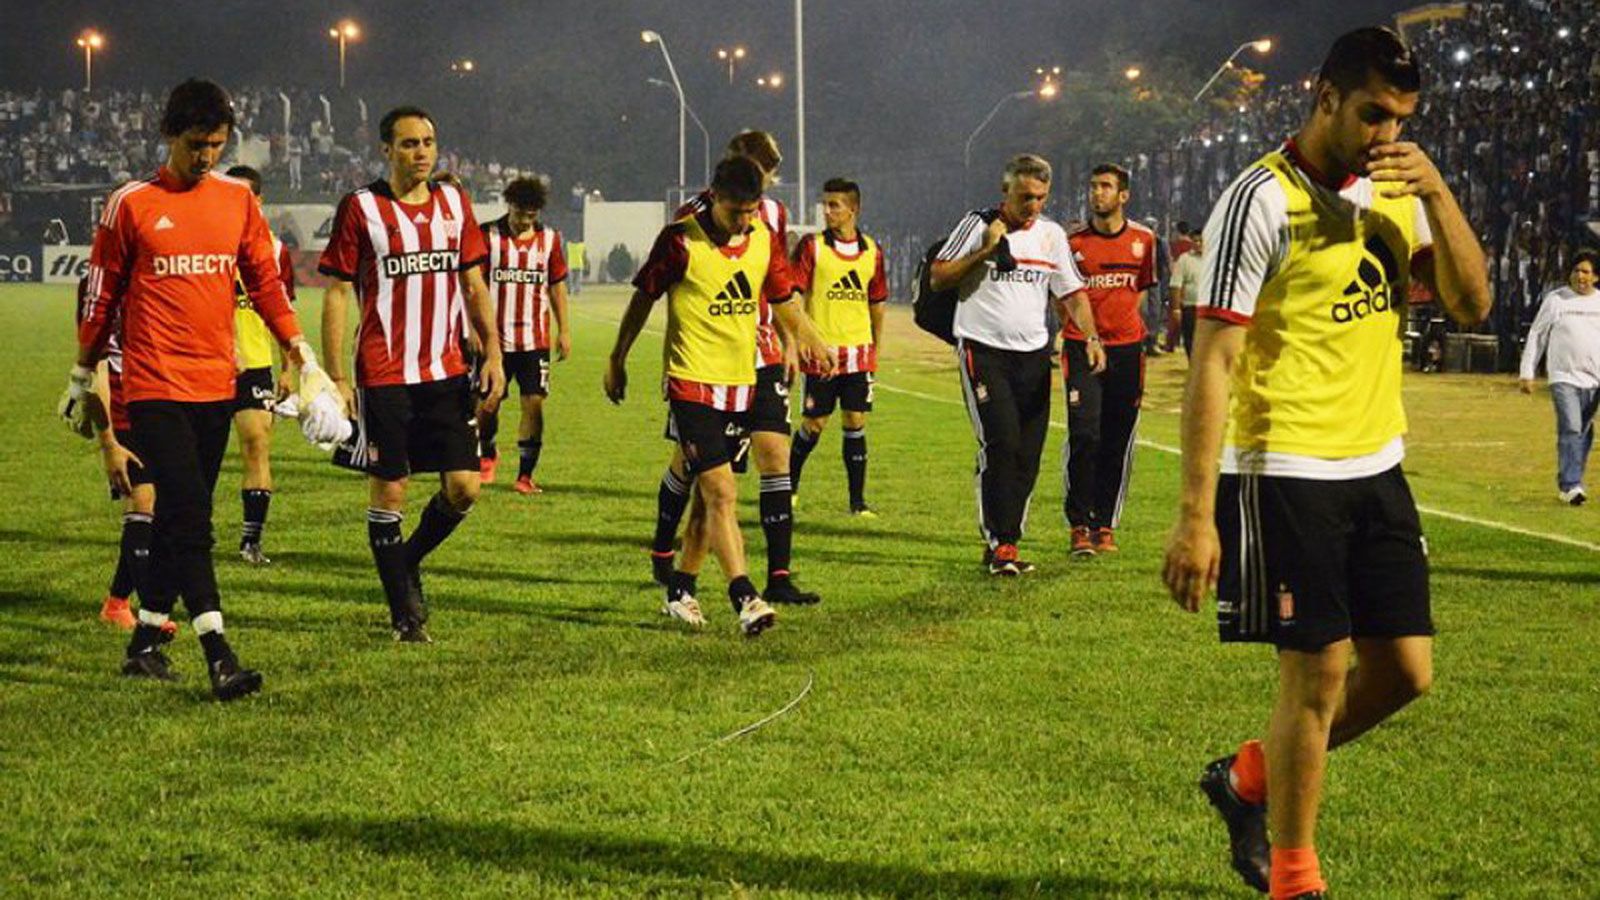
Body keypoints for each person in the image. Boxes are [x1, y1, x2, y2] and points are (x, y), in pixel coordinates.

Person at [1161, 27, 1490, 899]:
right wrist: (1197, 516)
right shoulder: (1258, 201)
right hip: (1283, 468)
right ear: (1325, 98)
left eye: (1404, 119)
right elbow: (1213, 363)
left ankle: (1248, 779)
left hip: (1377, 463)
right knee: (1320, 674)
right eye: (1374, 114)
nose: (1388, 134)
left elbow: (1469, 302)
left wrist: (1441, 195)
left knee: (1407, 674)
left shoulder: (1398, 193)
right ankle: (1295, 877)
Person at [63, 78, 329, 701]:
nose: (206, 155)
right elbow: (100, 299)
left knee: (183, 517)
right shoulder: (129, 203)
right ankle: (219, 652)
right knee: (192, 520)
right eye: (195, 144)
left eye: (216, 144)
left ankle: (146, 643)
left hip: (217, 382)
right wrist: (82, 375)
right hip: (153, 386)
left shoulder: (237, 200)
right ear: (168, 136)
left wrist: (301, 351)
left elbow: (265, 283)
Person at [605, 155, 834, 634]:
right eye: (736, 212)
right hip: (691, 384)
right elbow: (643, 297)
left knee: (710, 503)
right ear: (714, 196)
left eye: (752, 211)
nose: (744, 221)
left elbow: (783, 299)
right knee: (721, 491)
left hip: (741, 386)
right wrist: (617, 357)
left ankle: (681, 588)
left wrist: (810, 335)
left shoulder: (761, 241)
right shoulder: (680, 242)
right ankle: (745, 596)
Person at [317, 105, 506, 644]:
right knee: (390, 492)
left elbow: (474, 284)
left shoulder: (454, 203)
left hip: (446, 371)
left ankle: (406, 561)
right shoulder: (361, 209)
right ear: (386, 150)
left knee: (465, 487)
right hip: (383, 374)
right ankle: (405, 616)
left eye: (427, 142)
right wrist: (337, 377)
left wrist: (492, 352)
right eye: (408, 144)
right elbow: (335, 293)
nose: (421, 152)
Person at [650, 130, 820, 606]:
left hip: (759, 353)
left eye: (767, 175)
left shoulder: (772, 215)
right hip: (703, 360)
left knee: (771, 459)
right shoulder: (692, 216)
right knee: (696, 470)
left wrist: (790, 341)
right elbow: (678, 293)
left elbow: (780, 284)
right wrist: (673, 358)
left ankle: (778, 577)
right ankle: (668, 551)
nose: (761, 183)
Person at [930, 154, 1102, 575]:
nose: (1034, 206)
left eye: (1041, 197)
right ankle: (1001, 542)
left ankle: (1008, 539)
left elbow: (1072, 292)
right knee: (1002, 443)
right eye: (1026, 197)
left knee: (1028, 453)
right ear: (1005, 191)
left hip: (1034, 356)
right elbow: (939, 276)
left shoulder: (1051, 235)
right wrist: (987, 250)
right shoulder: (976, 224)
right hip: (983, 351)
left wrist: (1091, 337)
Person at [1062, 164, 1157, 556]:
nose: (1096, 193)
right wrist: (1085, 333)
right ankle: (1079, 523)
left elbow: (1141, 289)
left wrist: (1127, 329)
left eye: (1105, 187)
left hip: (1128, 350)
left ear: (1123, 196)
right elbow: (1063, 295)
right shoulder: (1073, 243)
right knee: (1085, 434)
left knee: (1117, 439)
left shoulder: (1144, 240)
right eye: (1093, 186)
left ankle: (1104, 524)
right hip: (1081, 347)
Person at [788, 178, 888, 515]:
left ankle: (857, 504)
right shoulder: (812, 246)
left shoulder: (872, 251)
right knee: (815, 424)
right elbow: (796, 294)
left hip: (858, 352)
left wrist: (875, 347)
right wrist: (802, 336)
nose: (827, 211)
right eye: (825, 204)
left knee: (855, 421)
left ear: (854, 209)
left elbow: (876, 303)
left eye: (835, 205)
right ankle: (790, 487)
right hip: (822, 352)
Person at [223, 165, 297, 564]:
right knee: (198, 456)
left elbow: (284, 311)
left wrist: (287, 368)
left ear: (259, 202)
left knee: (256, 445)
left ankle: (251, 541)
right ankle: (187, 535)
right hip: (204, 365)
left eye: (244, 196)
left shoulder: (275, 250)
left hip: (254, 365)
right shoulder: (204, 241)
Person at [478, 176, 570, 495]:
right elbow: (470, 286)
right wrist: (473, 330)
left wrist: (564, 331)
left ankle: (525, 475)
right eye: (520, 212)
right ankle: (487, 449)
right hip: (494, 342)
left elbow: (557, 287)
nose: (524, 220)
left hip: (534, 340)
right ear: (509, 205)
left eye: (531, 215)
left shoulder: (550, 241)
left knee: (534, 404)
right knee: (487, 407)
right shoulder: (487, 236)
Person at [1519, 249, 1600, 504]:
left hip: (1594, 380)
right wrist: (1527, 372)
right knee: (1571, 426)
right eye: (1576, 271)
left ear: (1595, 277)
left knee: (1584, 431)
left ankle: (1574, 479)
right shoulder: (1556, 300)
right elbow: (1537, 335)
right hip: (1563, 377)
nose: (1580, 276)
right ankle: (1570, 485)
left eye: (1585, 271)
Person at [1169, 225, 1206, 357]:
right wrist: (1176, 309)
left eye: (1201, 240)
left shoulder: (1214, 259)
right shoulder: (1184, 259)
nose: (1198, 244)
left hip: (1209, 308)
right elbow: (1175, 285)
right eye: (1195, 241)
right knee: (1190, 340)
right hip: (1190, 307)